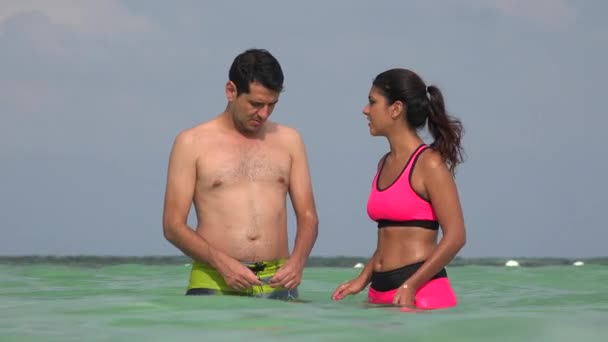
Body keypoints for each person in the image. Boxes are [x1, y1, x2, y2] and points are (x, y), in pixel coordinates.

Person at [162, 48, 319, 300]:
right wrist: (221, 263)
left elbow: (308, 215)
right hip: (213, 280)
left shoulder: (290, 140)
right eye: (256, 104)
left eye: (272, 105)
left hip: (278, 282)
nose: (264, 113)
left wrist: (298, 261)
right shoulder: (191, 143)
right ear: (231, 91)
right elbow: (173, 226)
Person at [331, 68, 466, 310]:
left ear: (395, 109)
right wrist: (362, 279)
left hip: (421, 294)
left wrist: (411, 285)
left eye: (372, 102)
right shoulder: (384, 163)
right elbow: (390, 238)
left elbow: (456, 237)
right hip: (380, 292)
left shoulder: (429, 164)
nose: (365, 109)